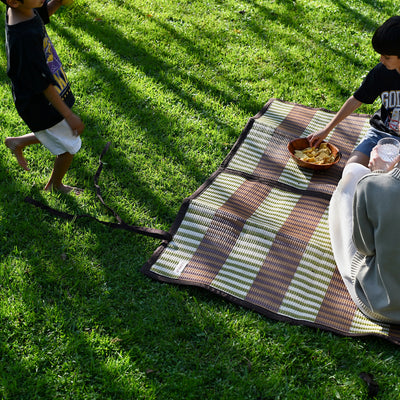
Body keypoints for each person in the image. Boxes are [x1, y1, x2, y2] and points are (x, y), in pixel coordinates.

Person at [2, 0, 84, 194]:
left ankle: (17, 142)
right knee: (68, 148)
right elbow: (44, 85)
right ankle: (56, 185)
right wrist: (69, 115)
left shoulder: (22, 8)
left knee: (54, 132)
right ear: (14, 2)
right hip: (40, 102)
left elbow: (43, 12)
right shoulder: (24, 37)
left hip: (40, 95)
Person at [308, 16, 400, 167]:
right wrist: (327, 129)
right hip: (379, 134)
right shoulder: (382, 71)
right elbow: (357, 99)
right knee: (352, 170)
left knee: (386, 177)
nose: (381, 59)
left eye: (387, 56)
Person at [329, 145, 400, 323]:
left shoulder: (372, 185)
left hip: (380, 304)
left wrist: (379, 176)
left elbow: (365, 247)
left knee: (353, 173)